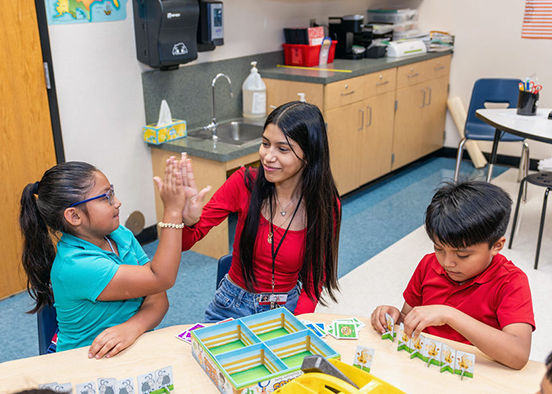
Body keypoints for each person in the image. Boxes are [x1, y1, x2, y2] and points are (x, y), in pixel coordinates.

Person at [179, 101, 342, 322]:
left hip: (287, 309)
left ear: (309, 155)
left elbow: (314, 279)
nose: (268, 156)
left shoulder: (325, 205)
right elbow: (183, 243)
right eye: (265, 144)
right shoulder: (244, 183)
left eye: (282, 149)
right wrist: (187, 221)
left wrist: (299, 323)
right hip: (231, 306)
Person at [20, 156, 188, 359]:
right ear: (74, 216)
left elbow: (158, 295)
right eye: (105, 197)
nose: (117, 202)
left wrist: (132, 328)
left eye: (112, 192)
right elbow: (161, 278)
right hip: (87, 360)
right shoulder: (77, 265)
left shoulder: (120, 235)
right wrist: (172, 211)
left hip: (133, 345)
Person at [371, 180, 534, 370]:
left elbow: (518, 355)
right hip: (422, 367)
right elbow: (409, 318)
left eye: (462, 255)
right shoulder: (428, 264)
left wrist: (450, 315)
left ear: (496, 246)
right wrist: (393, 317)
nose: (447, 262)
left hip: (473, 374)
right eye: (439, 248)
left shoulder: (511, 281)